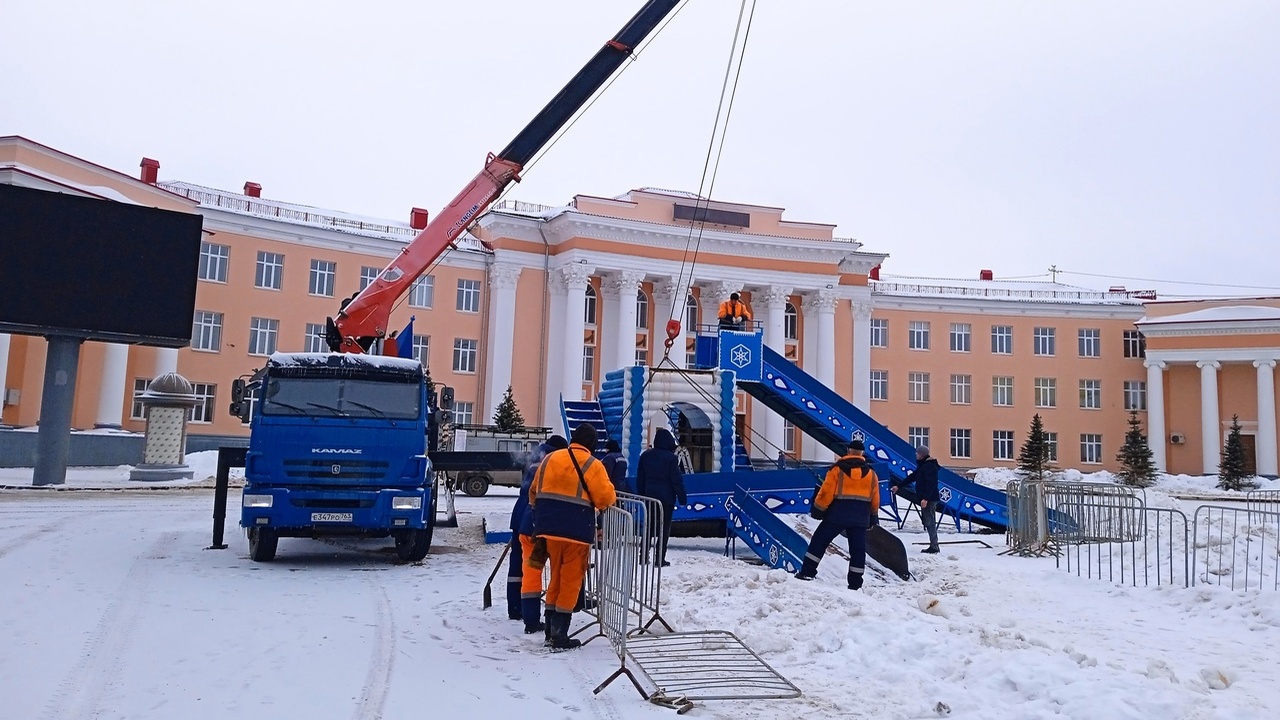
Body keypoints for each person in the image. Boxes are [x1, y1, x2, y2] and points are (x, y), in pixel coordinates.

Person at [528, 424, 616, 650]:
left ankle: (549, 628)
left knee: (556, 577)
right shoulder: (593, 465)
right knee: (570, 582)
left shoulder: (550, 459)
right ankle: (559, 635)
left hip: (548, 529)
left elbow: (533, 490)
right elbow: (605, 499)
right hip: (575, 532)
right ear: (592, 444)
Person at [794, 438, 880, 589]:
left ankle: (807, 572)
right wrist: (873, 517)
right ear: (862, 454)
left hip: (837, 515)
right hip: (860, 517)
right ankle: (855, 583)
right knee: (858, 550)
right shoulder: (872, 474)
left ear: (848, 452)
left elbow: (826, 492)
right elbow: (875, 499)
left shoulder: (837, 470)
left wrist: (818, 510)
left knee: (819, 542)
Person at [506, 434, 567, 634]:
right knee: (534, 570)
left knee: (518, 566)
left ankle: (516, 609)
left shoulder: (536, 456)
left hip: (520, 515)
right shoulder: (552, 462)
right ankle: (532, 616)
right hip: (535, 518)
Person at [635, 427, 687, 567]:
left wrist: (642, 495)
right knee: (664, 529)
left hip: (650, 498)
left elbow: (640, 478)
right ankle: (660, 559)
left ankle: (643, 556)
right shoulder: (671, 458)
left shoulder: (645, 456)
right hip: (667, 500)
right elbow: (676, 480)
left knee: (648, 527)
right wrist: (682, 497)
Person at [891, 445, 941, 553]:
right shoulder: (923, 465)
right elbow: (913, 477)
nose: (916, 455)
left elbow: (931, 484)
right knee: (928, 521)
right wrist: (899, 486)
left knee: (929, 521)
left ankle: (934, 546)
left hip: (929, 498)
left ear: (922, 454)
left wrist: (926, 499)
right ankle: (934, 545)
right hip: (927, 498)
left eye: (917, 453)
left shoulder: (929, 466)